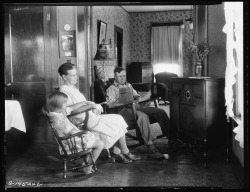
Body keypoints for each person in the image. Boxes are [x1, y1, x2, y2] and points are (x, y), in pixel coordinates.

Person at [58, 63, 141, 164]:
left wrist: (97, 104)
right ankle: (124, 152)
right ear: (64, 77)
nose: (76, 77)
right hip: (82, 120)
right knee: (118, 119)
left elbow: (80, 105)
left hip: (89, 115)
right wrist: (91, 106)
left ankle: (119, 152)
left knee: (118, 119)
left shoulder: (73, 88)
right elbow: (70, 111)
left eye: (76, 74)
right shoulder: (63, 90)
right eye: (72, 75)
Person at [106, 67, 171, 159]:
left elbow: (137, 96)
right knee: (142, 116)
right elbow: (110, 105)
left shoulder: (129, 85)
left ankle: (172, 139)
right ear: (115, 77)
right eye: (120, 76)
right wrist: (127, 103)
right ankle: (151, 147)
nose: (122, 78)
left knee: (160, 111)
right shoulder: (111, 89)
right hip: (122, 112)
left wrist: (136, 100)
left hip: (135, 108)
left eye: (124, 76)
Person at [46, 91, 104, 175]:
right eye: (65, 103)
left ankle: (86, 162)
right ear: (59, 104)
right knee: (100, 144)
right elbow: (70, 132)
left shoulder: (57, 113)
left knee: (95, 137)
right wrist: (83, 132)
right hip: (70, 144)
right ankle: (88, 167)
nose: (67, 105)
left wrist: (84, 102)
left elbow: (71, 108)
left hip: (71, 140)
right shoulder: (58, 120)